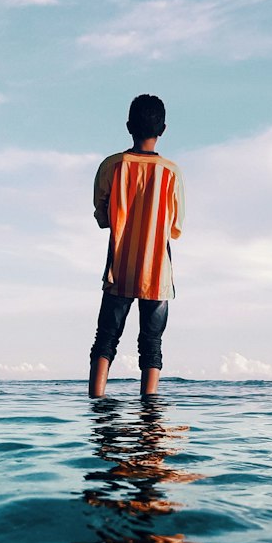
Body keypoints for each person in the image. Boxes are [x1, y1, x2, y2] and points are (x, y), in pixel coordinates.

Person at [88, 94, 185, 397]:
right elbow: (175, 226)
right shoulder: (171, 172)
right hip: (157, 274)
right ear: (164, 129)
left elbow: (102, 216)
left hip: (120, 269)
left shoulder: (112, 166)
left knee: (105, 340)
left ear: (128, 125)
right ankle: (150, 409)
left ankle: (96, 402)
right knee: (152, 344)